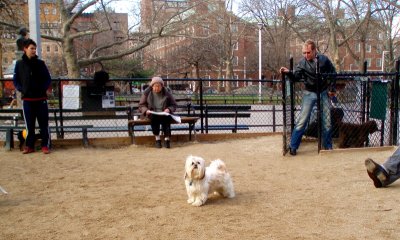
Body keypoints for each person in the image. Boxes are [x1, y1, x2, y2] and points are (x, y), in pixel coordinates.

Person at [280, 39, 336, 155]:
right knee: (302, 120)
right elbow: (296, 76)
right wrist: (288, 72)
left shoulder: (324, 60)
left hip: (323, 91)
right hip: (309, 93)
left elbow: (332, 73)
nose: (306, 55)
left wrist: (331, 88)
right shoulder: (302, 63)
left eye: (308, 52)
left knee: (327, 121)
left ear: (314, 50)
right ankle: (293, 146)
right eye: (304, 53)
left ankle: (327, 147)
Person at [13, 39, 52, 154]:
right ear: (25, 49)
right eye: (32, 48)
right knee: (29, 125)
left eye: (35, 48)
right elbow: (16, 80)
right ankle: (29, 146)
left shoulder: (41, 64)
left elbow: (48, 79)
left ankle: (45, 145)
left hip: (41, 100)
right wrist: (22, 89)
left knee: (43, 124)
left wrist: (42, 89)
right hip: (28, 100)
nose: (34, 50)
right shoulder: (19, 64)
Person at [138, 76, 177, 148]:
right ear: (152, 86)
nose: (157, 88)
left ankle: (167, 139)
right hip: (152, 113)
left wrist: (169, 109)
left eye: (159, 86)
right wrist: (146, 110)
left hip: (163, 113)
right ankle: (157, 139)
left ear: (162, 86)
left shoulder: (167, 93)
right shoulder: (147, 93)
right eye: (155, 86)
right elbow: (141, 105)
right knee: (154, 118)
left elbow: (173, 105)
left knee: (166, 118)